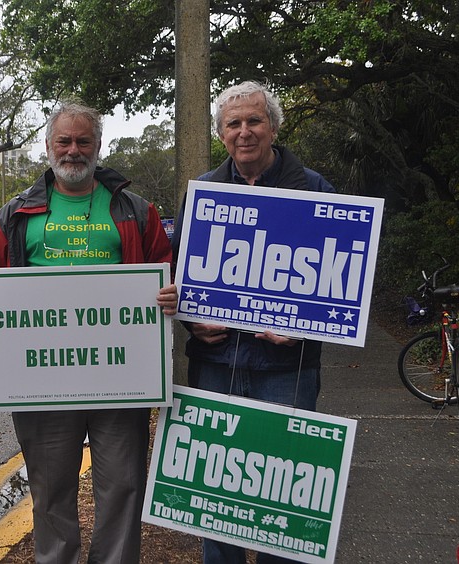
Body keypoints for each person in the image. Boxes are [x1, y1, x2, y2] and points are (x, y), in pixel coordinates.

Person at [0, 100, 178, 564]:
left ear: (98, 146)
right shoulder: (15, 213)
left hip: (120, 377)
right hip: (42, 381)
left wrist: (170, 293)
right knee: (50, 486)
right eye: (64, 140)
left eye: (84, 140)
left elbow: (166, 268)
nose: (74, 150)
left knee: (123, 484)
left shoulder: (135, 209)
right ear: (48, 147)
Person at [171, 81, 335, 564]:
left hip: (287, 369)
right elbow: (182, 276)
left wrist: (304, 325)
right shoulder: (202, 193)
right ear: (222, 133)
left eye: (254, 121)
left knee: (282, 500)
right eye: (233, 124)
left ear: (273, 127)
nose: (244, 132)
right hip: (214, 364)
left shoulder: (314, 188)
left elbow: (341, 279)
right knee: (213, 496)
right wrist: (192, 323)